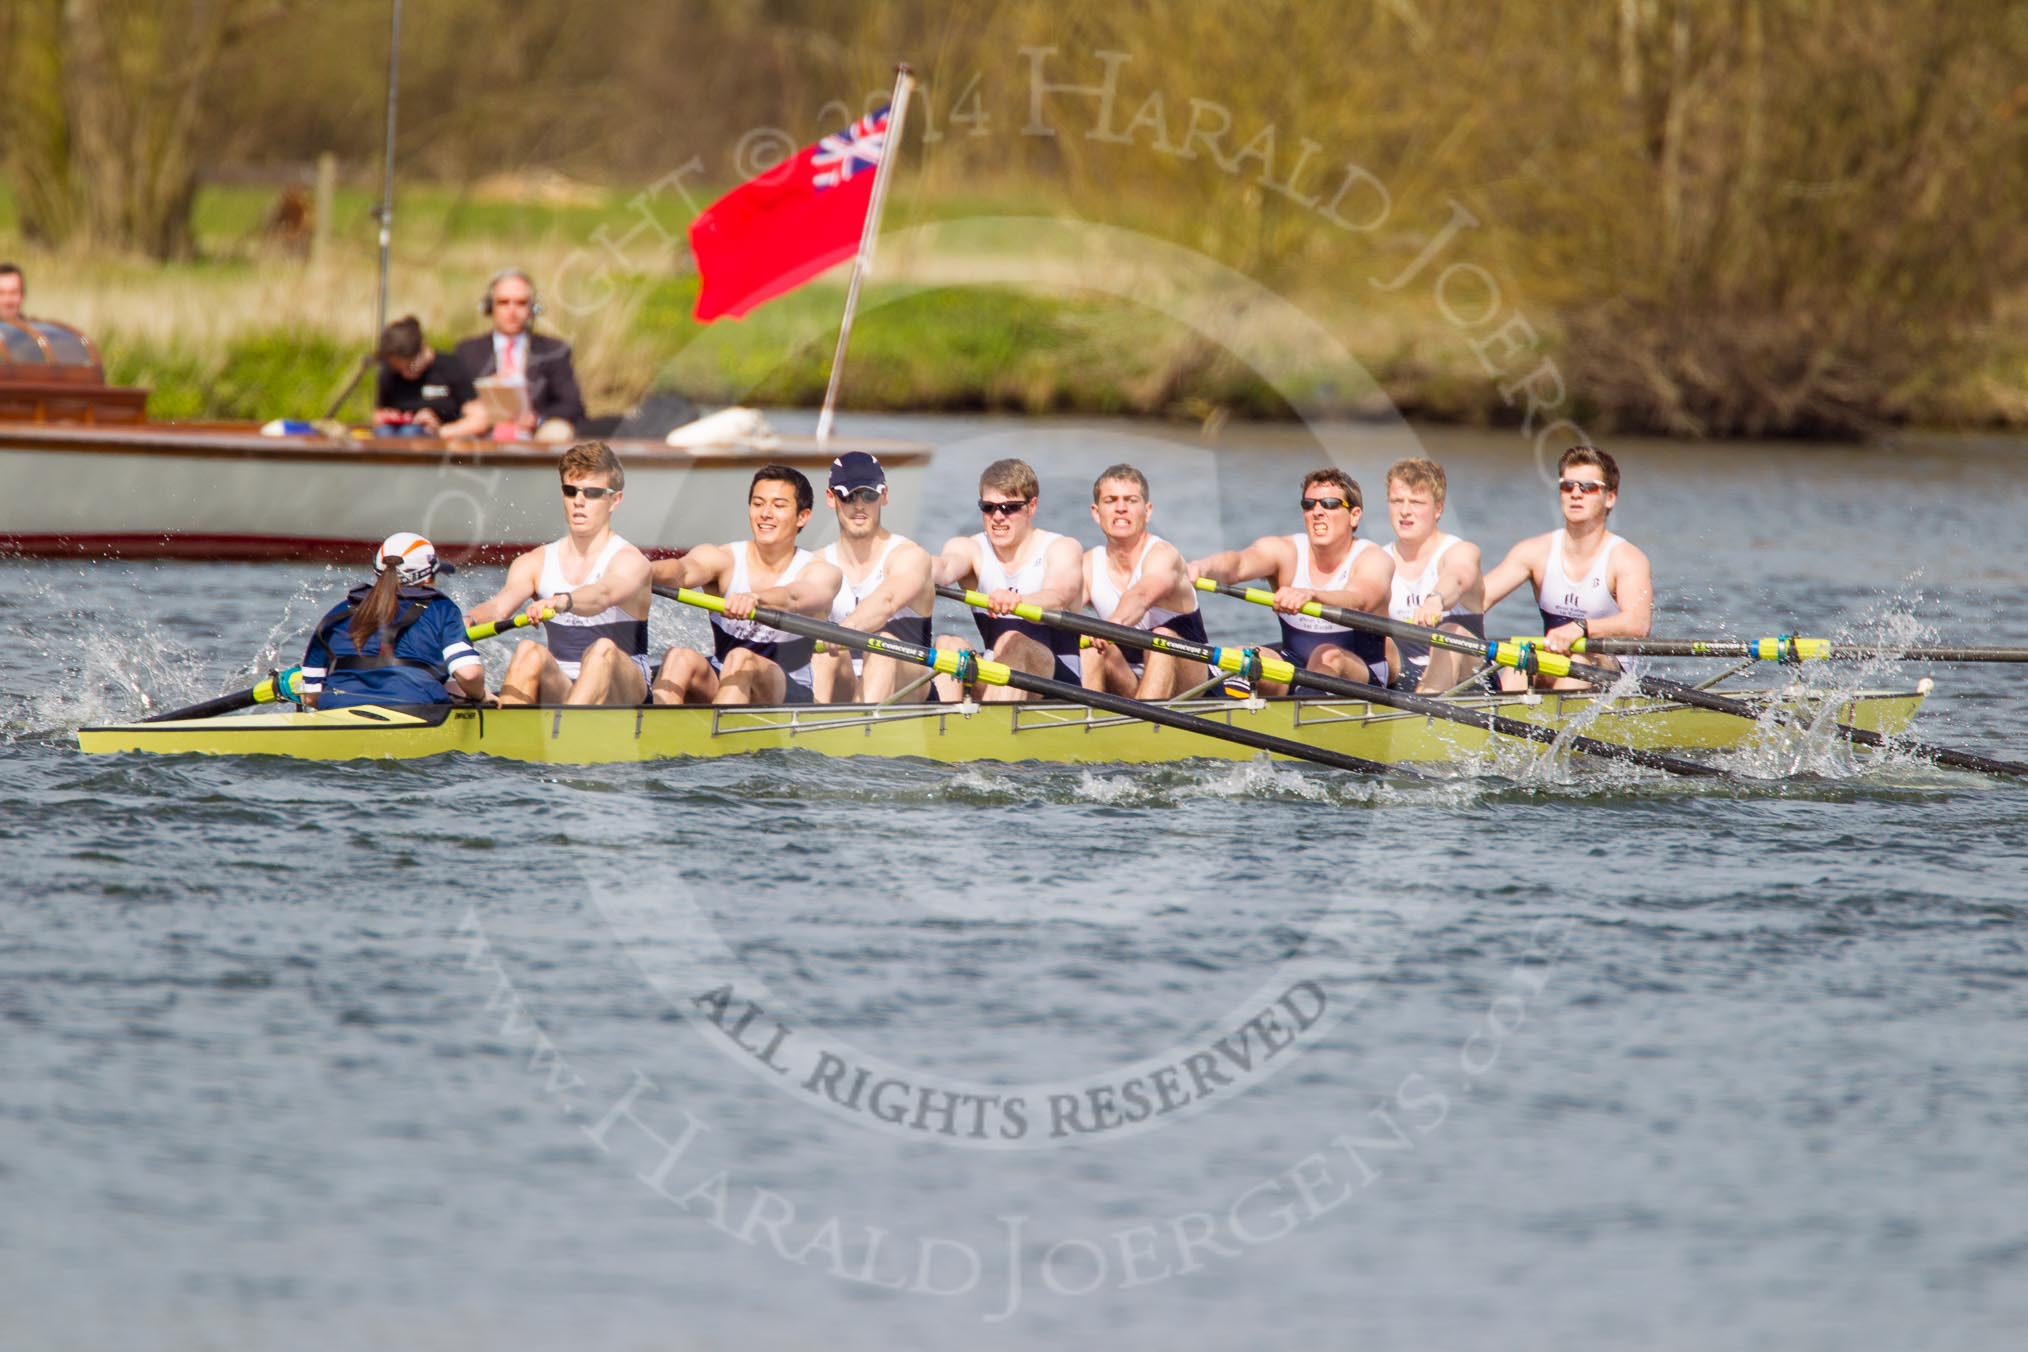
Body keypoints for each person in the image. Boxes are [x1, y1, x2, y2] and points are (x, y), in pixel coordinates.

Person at [464, 441, 655, 705]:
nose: (579, 502)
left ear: (614, 500)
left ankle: (566, 733)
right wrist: (467, 621)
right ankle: (504, 738)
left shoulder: (630, 561)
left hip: (626, 691)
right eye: (570, 491)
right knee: (528, 650)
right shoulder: (535, 562)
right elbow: (498, 608)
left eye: (591, 493)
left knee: (603, 650)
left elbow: (603, 594)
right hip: (565, 690)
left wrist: (562, 601)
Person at [1188, 468, 1395, 691]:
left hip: (1362, 673)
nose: (1317, 511)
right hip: (1295, 664)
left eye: (1329, 503)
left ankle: (1304, 714)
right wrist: (1201, 568)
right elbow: (1237, 564)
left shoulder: (1373, 558)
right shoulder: (1285, 551)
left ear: (1354, 515)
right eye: (1309, 504)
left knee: (1328, 654)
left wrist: (1312, 595)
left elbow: (1360, 598)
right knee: (1242, 657)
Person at [650, 466, 843, 706]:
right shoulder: (723, 558)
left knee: (742, 659)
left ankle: (714, 741)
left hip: (789, 694)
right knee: (679, 656)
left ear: (802, 516)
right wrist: (645, 572)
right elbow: (681, 571)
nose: (765, 513)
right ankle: (650, 738)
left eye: (779, 506)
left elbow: (795, 596)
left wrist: (756, 599)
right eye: (758, 503)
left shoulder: (822, 572)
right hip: (725, 681)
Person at [1480, 444, 1654, 691]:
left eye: (1588, 487)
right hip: (1553, 659)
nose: (1576, 493)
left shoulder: (1627, 558)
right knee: (1518, 663)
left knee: (1581, 661)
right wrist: (1436, 603)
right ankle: (1502, 723)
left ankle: (1552, 726)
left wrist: (1581, 628)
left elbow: (1638, 623)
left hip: (1607, 671)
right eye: (1567, 486)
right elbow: (1477, 601)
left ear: (1610, 497)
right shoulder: (1533, 552)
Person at [931, 458, 1085, 702]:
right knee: (949, 644)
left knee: (1013, 640)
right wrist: (907, 567)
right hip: (998, 677)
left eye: (1009, 508)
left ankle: (990, 733)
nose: (998, 517)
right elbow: (942, 568)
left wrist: (1020, 600)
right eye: (989, 507)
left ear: (1031, 506)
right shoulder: (969, 548)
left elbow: (1059, 594)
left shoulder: (1062, 547)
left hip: (1058, 685)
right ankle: (942, 733)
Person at [299, 532, 487, 709]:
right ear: (427, 577)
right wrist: (481, 697)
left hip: (337, 708)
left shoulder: (338, 612)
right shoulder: (442, 609)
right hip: (413, 707)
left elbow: (311, 696)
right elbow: (469, 675)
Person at [811, 451, 936, 704]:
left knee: (883, 645)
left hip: (909, 687)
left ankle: (858, 736)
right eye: (848, 495)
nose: (859, 505)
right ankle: (801, 735)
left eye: (869, 495)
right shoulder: (816, 563)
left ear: (885, 496)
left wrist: (842, 631)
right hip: (845, 682)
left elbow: (887, 600)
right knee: (822, 655)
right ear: (830, 497)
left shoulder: (909, 556)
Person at [1079, 464, 1210, 699]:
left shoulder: (1163, 554)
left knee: (1161, 638)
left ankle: (1146, 725)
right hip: (1129, 682)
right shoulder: (1088, 564)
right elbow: (1059, 603)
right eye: (1110, 501)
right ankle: (1085, 721)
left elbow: (1141, 596)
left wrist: (1112, 624)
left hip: (1191, 684)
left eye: (1131, 500)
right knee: (1088, 645)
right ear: (1096, 512)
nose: (1121, 508)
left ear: (1147, 511)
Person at [1380, 457, 1487, 692]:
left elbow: (1457, 577)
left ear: (1438, 509)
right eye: (1397, 501)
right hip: (1404, 671)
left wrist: (1436, 599)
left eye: (1416, 502)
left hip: (1469, 680)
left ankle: (1423, 720)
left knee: (1449, 633)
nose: (1405, 511)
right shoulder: (1378, 559)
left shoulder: (1460, 551)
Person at [453, 267, 587, 442]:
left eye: (521, 303)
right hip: (483, 432)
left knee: (558, 431)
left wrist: (536, 418)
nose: (512, 310)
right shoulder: (467, 350)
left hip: (535, 435)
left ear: (533, 309)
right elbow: (453, 400)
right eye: (503, 302)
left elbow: (572, 405)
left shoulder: (554, 350)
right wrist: (472, 407)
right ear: (488, 307)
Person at [371, 315, 484, 439]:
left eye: (411, 366)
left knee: (411, 433)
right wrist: (392, 418)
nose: (405, 374)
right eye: (398, 369)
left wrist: (439, 431)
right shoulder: (390, 374)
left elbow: (479, 420)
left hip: (440, 442)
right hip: (395, 437)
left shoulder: (451, 368)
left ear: (423, 348)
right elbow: (378, 413)